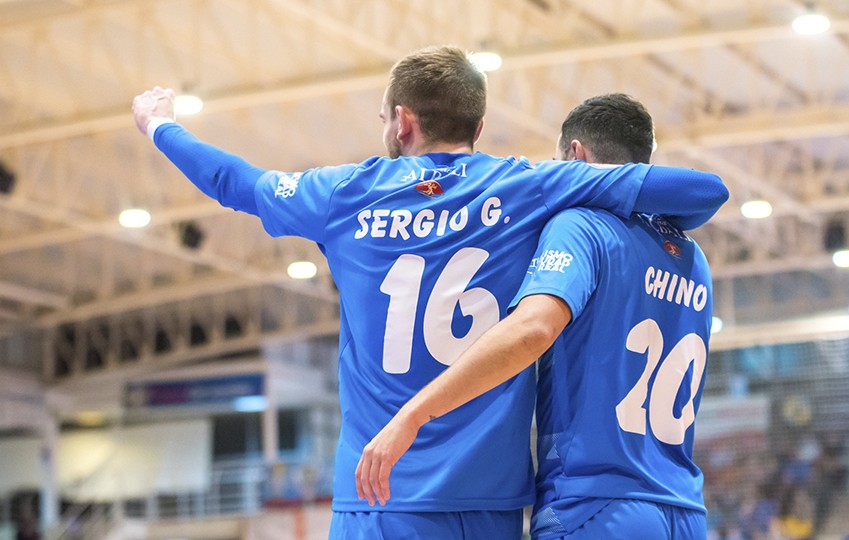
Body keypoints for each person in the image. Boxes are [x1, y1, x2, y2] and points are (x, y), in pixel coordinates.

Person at [132, 46, 727, 539]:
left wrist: (161, 127)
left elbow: (234, 182)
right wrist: (601, 184)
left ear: (403, 121)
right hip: (491, 505)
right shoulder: (529, 186)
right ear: (479, 126)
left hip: (378, 495)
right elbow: (701, 192)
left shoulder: (346, 194)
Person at [357, 94, 717, 539]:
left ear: (577, 156)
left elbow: (534, 328)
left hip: (597, 508)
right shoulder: (692, 257)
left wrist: (414, 413)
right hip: (684, 511)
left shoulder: (581, 226)